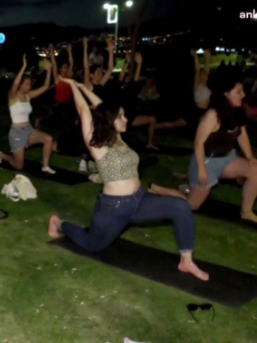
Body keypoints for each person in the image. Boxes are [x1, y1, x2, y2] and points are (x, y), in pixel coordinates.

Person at [47, 78, 209, 281]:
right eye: (121, 116)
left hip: (140, 200)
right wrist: (73, 85)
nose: (125, 119)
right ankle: (59, 223)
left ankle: (186, 260)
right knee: (93, 244)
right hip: (113, 208)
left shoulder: (118, 138)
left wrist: (84, 88)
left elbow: (102, 108)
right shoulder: (97, 146)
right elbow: (83, 109)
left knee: (181, 207)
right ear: (111, 120)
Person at [149, 78, 257, 223]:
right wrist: (201, 170)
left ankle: (246, 211)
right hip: (207, 162)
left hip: (227, 159)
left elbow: (242, 134)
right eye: (238, 91)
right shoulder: (212, 115)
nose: (243, 95)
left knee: (255, 170)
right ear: (226, 94)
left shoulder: (237, 111)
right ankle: (158, 189)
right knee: (192, 205)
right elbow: (198, 143)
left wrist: (250, 157)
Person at [0, 54, 55, 173]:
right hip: (16, 133)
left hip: (28, 130)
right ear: (21, 84)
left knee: (48, 139)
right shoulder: (12, 97)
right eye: (26, 84)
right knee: (19, 166)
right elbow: (14, 85)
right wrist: (24, 66)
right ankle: (3, 155)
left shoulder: (28, 96)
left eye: (30, 84)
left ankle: (45, 166)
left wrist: (49, 70)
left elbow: (45, 87)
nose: (29, 87)